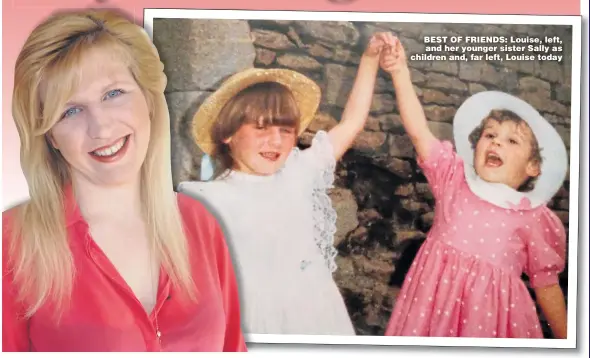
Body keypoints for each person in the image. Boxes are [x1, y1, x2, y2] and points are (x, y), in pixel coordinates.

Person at [2, 9, 246, 352]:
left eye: (113, 93)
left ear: (148, 98)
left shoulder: (199, 223)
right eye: (70, 111)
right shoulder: (11, 243)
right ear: (51, 137)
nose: (100, 128)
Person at [177, 32, 393, 335]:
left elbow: (352, 123)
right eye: (262, 128)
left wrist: (370, 60)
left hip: (318, 315)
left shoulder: (299, 170)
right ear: (228, 133)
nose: (276, 141)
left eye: (286, 130)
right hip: (256, 323)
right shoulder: (205, 199)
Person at [379, 34, 568, 338]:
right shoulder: (453, 177)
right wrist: (400, 73)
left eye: (511, 141)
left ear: (533, 167)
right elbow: (419, 132)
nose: (495, 142)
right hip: (430, 311)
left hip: (489, 322)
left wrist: (569, 342)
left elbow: (546, 285)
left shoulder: (533, 215)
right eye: (489, 135)